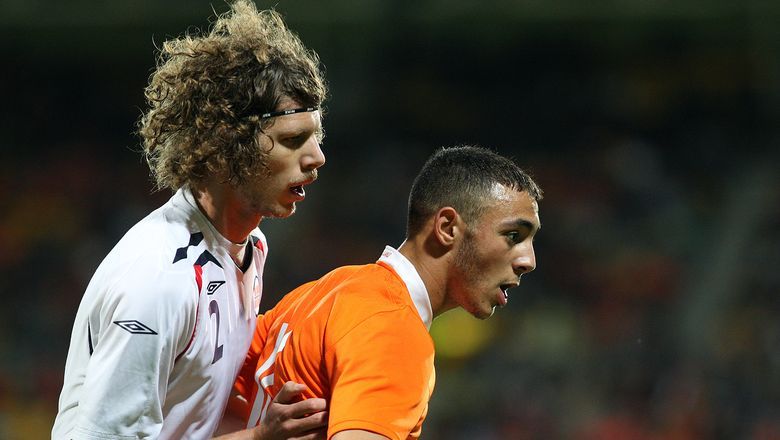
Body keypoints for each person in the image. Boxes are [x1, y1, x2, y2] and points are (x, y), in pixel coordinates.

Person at [52, 1, 330, 438]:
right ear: (227, 147)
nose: (317, 157)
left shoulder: (249, 246)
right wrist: (261, 437)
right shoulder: (160, 280)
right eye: (293, 140)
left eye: (316, 136)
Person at [223, 145, 543, 439]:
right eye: (513, 235)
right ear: (447, 228)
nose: (528, 261)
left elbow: (205, 399)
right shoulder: (394, 330)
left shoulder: (323, 290)